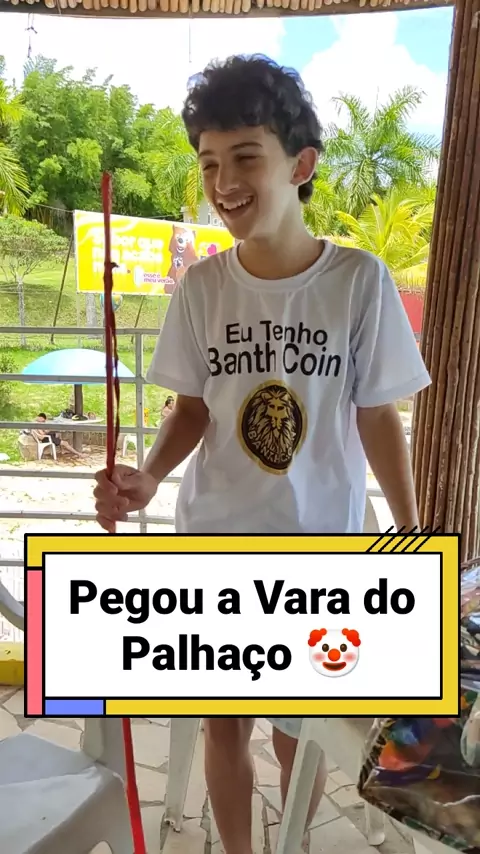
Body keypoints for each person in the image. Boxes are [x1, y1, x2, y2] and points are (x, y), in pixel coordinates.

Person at [94, 56, 431, 854]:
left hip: (322, 551)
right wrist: (149, 476)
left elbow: (377, 415)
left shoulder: (358, 281)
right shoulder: (203, 287)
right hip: (215, 543)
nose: (224, 182)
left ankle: (292, 843)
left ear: (300, 164)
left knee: (298, 732)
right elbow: (190, 409)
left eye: (246, 157)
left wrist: (411, 532)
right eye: (209, 163)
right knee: (224, 722)